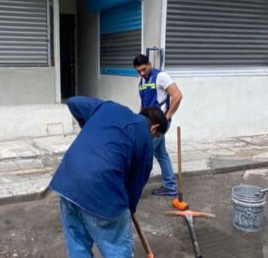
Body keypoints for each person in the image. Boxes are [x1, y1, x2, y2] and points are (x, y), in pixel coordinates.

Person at [49, 96, 168, 257]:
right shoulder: (145, 140)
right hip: (101, 192)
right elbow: (136, 184)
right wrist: (129, 208)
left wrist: (92, 131)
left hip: (67, 184)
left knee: (77, 244)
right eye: (157, 136)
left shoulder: (110, 108)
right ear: (154, 128)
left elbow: (73, 103)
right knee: (116, 248)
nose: (154, 139)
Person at [133, 54, 183, 196]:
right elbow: (144, 105)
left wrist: (166, 118)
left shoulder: (161, 76)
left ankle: (132, 189)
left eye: (143, 69)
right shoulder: (142, 81)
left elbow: (177, 95)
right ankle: (170, 185)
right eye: (138, 71)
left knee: (143, 155)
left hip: (157, 125)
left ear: (149, 64)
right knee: (160, 153)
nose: (141, 73)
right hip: (147, 124)